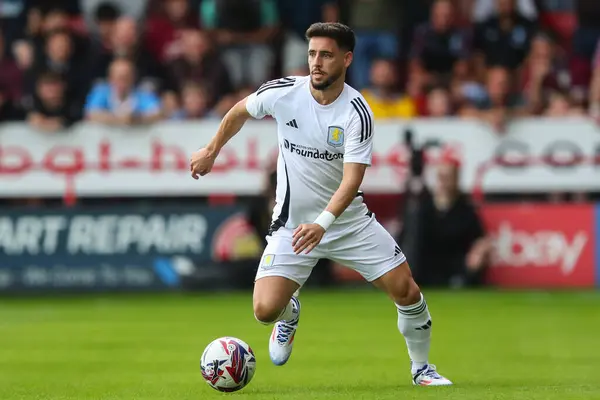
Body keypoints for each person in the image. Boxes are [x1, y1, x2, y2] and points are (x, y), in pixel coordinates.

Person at [189, 22, 452, 387]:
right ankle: (289, 312)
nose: (316, 62)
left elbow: (352, 180)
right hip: (293, 224)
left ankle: (422, 368)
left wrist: (323, 224)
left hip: (346, 223)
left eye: (326, 55)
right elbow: (239, 111)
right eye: (312, 53)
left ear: (346, 59)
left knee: (407, 291)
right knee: (264, 310)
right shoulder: (285, 92)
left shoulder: (356, 111)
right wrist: (211, 150)